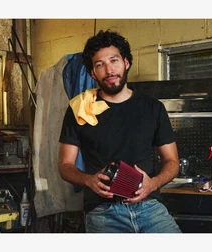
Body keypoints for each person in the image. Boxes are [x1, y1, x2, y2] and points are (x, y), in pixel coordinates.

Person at [58, 30, 181, 233]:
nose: (109, 70)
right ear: (92, 73)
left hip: (149, 207)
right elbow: (65, 165)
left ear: (126, 63)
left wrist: (153, 184)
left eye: (114, 61)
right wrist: (88, 179)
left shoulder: (153, 108)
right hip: (103, 212)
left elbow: (172, 162)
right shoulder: (79, 109)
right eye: (100, 65)